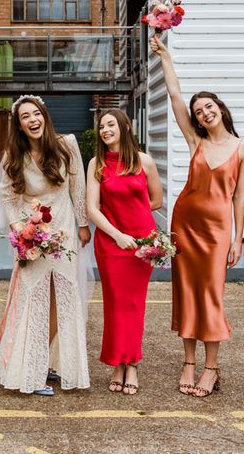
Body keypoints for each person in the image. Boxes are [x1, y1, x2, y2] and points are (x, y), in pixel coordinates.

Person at [150, 34, 244, 397]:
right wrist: (165, 56)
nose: (205, 113)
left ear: (220, 109)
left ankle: (211, 368)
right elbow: (175, 95)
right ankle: (188, 362)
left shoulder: (239, 148)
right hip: (184, 225)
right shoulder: (196, 142)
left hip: (218, 230)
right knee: (187, 293)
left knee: (211, 296)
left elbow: (239, 197)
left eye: (209, 107)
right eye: (199, 111)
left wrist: (237, 238)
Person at [0, 94, 91, 395]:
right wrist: (19, 231)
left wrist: (83, 223)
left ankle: (52, 363)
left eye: (36, 114)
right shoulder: (14, 155)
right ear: (19, 125)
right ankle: (29, 370)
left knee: (63, 296)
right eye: (25, 117)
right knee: (32, 299)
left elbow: (78, 186)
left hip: (63, 232)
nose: (33, 120)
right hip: (31, 234)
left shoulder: (67, 144)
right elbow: (9, 198)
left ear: (45, 116)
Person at [87, 109, 162, 395]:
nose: (105, 129)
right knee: (115, 304)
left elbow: (154, 201)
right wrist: (118, 234)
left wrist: (139, 229)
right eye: (101, 126)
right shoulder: (96, 163)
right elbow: (92, 208)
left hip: (142, 245)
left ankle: (131, 364)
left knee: (134, 305)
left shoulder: (145, 161)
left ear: (125, 127)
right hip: (111, 242)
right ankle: (118, 363)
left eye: (110, 124)